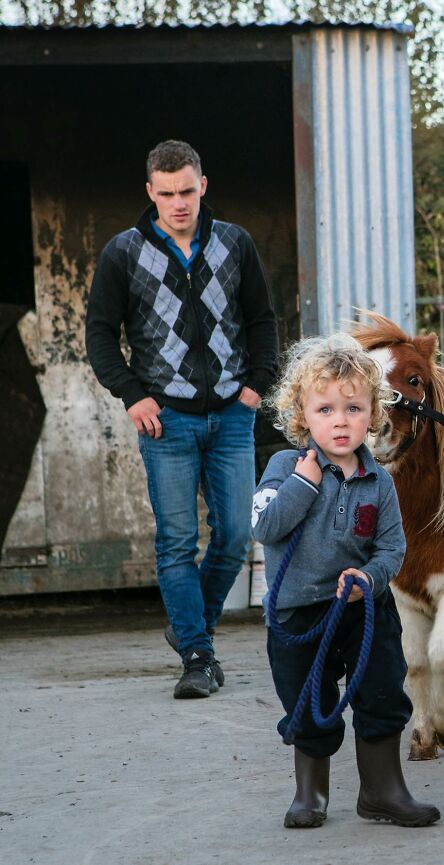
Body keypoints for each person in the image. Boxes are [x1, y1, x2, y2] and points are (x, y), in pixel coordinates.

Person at [85, 140, 278, 699]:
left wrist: (255, 387)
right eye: (167, 193)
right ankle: (198, 656)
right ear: (150, 192)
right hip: (165, 421)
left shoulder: (234, 243)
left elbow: (262, 319)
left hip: (232, 416)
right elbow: (100, 333)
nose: (178, 203)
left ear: (203, 186)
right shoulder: (123, 252)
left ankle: (192, 626)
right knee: (176, 541)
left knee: (238, 533)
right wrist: (131, 395)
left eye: (187, 191)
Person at [251, 334, 440, 829]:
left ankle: (383, 790)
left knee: (382, 690)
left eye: (354, 408)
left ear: (374, 413)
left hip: (363, 607)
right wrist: (303, 484)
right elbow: (265, 526)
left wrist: (370, 578)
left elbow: (392, 549)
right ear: (303, 416)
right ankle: (310, 794)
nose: (340, 420)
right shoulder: (283, 468)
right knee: (308, 701)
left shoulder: (379, 481)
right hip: (298, 611)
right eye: (326, 409)